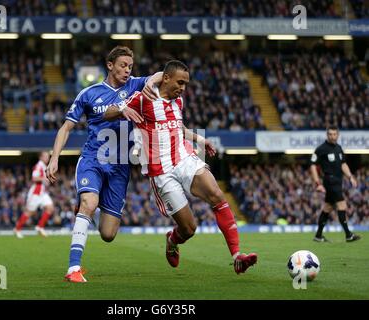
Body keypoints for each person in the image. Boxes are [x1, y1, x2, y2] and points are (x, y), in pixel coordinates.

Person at [104, 60, 257, 274]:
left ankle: (237, 255)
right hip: (161, 171)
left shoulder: (179, 102)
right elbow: (107, 113)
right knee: (189, 229)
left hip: (184, 158)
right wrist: (122, 110)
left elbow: (178, 127)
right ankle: (173, 239)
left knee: (217, 195)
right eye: (180, 82)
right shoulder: (143, 98)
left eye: (185, 84)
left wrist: (200, 140)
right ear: (166, 78)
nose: (183, 88)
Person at [46, 46, 163, 283]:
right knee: (89, 203)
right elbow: (66, 127)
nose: (127, 71)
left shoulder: (135, 85)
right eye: (122, 65)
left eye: (130, 66)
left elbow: (161, 75)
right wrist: (55, 157)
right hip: (92, 160)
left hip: (120, 167)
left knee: (108, 234)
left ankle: (90, 209)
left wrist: (165, 74)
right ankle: (73, 268)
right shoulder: (89, 93)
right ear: (110, 65)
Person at [310, 126, 361, 242]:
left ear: (338, 135)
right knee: (342, 206)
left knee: (327, 208)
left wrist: (350, 177)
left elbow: (343, 164)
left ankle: (318, 236)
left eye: (334, 134)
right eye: (330, 134)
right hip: (330, 181)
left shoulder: (338, 148)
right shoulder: (321, 149)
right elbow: (312, 165)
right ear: (327, 135)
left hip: (338, 181)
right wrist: (317, 183)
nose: (332, 136)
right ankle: (348, 235)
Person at [13, 151, 54, 238]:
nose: (48, 158)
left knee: (50, 207)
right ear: (41, 157)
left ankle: (40, 227)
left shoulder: (43, 166)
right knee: (30, 212)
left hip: (42, 193)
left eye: (48, 156)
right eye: (46, 156)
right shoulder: (38, 166)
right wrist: (44, 178)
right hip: (36, 193)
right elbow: (34, 178)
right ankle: (17, 229)